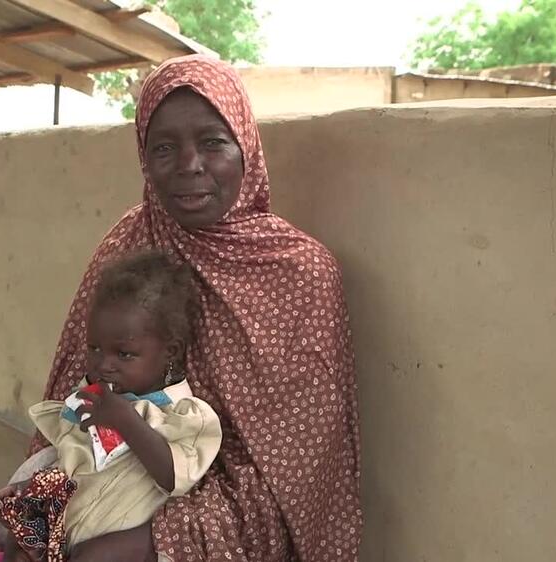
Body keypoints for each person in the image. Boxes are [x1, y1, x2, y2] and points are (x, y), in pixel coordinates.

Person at [24, 55, 362, 561]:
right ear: (143, 156)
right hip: (113, 456)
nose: (189, 166)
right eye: (164, 148)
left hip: (235, 495)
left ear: (245, 145)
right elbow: (82, 380)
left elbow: (302, 468)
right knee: (25, 527)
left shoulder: (301, 272)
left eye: (213, 142)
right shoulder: (129, 242)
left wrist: (179, 510)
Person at [0, 252, 222, 562]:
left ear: (170, 352)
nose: (105, 365)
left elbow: (175, 478)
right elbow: (70, 460)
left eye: (125, 354)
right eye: (94, 348)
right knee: (18, 543)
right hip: (63, 520)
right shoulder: (90, 399)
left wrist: (126, 420)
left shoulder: (186, 415)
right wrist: (27, 487)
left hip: (113, 535)